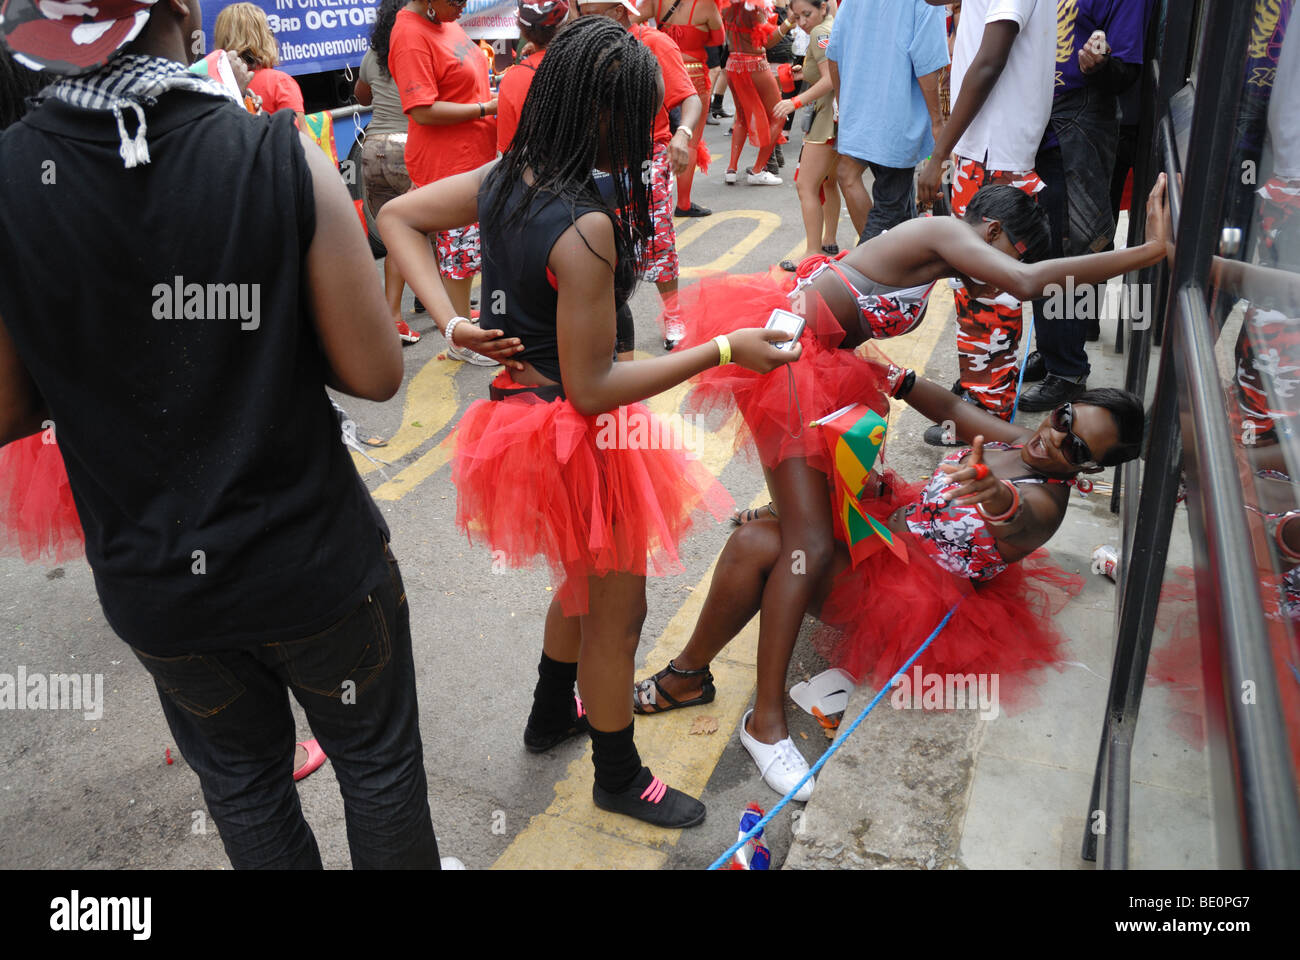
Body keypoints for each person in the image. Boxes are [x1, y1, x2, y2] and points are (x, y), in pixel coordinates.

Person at [0, 0, 456, 867]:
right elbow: (375, 373)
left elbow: (7, 410)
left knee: (245, 790)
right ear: (178, 13)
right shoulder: (275, 157)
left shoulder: (12, 182)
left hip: (159, 588)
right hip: (315, 565)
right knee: (379, 768)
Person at [378, 14, 799, 828]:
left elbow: (398, 219)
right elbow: (597, 387)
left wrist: (452, 324)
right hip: (581, 434)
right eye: (639, 119)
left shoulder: (506, 176)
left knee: (578, 583)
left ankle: (549, 714)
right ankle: (617, 772)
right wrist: (722, 350)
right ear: (598, 116)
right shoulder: (586, 226)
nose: (648, 136)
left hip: (519, 422)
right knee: (619, 612)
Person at [637, 176, 1171, 798]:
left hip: (899, 563)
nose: (1055, 438)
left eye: (1076, 448)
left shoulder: (1042, 495)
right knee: (793, 539)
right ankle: (740, 706)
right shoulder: (946, 233)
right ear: (992, 234)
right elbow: (1013, 308)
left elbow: (1008, 505)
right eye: (1062, 421)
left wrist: (986, 489)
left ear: (1089, 470)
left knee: (775, 541)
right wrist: (1152, 251)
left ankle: (734, 702)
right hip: (791, 355)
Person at [917, 0, 1054, 440]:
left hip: (995, 155)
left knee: (986, 294)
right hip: (987, 150)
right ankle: (980, 391)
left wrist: (939, 153)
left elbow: (990, 60)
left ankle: (985, 416)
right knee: (975, 288)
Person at [1019, 0, 1153, 411]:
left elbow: (1127, 72)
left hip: (1077, 130)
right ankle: (1053, 348)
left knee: (1073, 245)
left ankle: (1068, 368)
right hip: (1035, 125)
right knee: (1042, 243)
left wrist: (1099, 65)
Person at [388, 0, 500, 365]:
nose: (463, 4)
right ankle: (461, 340)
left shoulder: (445, 22)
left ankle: (468, 327)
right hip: (447, 164)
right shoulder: (409, 33)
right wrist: (487, 108)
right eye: (456, 0)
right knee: (460, 255)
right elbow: (422, 109)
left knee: (471, 251)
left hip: (476, 157)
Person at [828, 0, 948, 243]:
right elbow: (927, 61)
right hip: (896, 117)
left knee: (858, 180)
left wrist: (845, 105)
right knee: (890, 206)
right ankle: (868, 269)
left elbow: (834, 53)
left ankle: (891, 266)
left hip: (861, 112)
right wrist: (937, 120)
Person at [356, 0, 424, 344]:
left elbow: (361, 96)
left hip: (372, 149)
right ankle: (394, 317)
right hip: (407, 145)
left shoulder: (372, 56)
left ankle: (427, 298)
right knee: (413, 231)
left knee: (393, 231)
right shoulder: (415, 48)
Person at [774, 0, 840, 269]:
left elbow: (830, 79)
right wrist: (805, 72)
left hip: (825, 119)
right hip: (836, 117)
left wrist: (795, 101)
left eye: (807, 14)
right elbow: (829, 72)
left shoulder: (820, 33)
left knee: (806, 185)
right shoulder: (830, 27)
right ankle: (829, 241)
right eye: (797, 16)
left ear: (823, 7)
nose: (801, 22)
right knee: (829, 182)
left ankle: (813, 251)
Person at [646, 0, 722, 217]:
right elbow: (717, 38)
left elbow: (632, 20)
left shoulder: (656, 2)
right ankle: (684, 203)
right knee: (691, 139)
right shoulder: (706, 5)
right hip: (694, 72)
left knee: (659, 133)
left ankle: (654, 194)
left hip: (662, 71)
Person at [721, 0, 792, 186]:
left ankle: (731, 169)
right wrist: (788, 23)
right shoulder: (755, 6)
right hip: (755, 65)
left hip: (732, 64)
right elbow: (767, 42)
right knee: (779, 115)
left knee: (741, 118)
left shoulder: (727, 5)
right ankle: (758, 170)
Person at [214, 2, 306, 128]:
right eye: (268, 31)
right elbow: (300, 142)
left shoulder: (214, 86)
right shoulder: (281, 83)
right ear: (263, 38)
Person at [495, 0, 570, 153]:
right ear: (566, 23)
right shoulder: (587, 63)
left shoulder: (513, 79)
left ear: (523, 31)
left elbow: (507, 150)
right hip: (584, 171)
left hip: (532, 172)